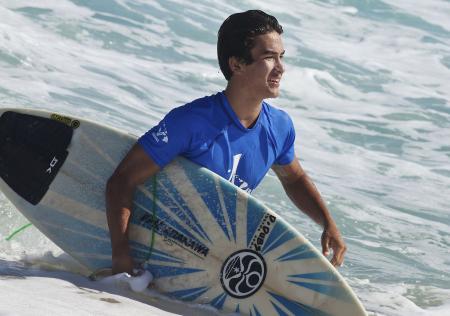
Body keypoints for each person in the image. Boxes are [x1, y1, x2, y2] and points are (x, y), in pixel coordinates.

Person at [106, 10, 346, 275]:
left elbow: (293, 178)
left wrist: (327, 223)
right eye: (269, 57)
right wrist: (121, 255)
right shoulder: (191, 122)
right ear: (237, 64)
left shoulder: (279, 127)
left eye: (281, 56)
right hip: (166, 240)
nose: (281, 67)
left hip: (217, 256)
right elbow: (122, 181)